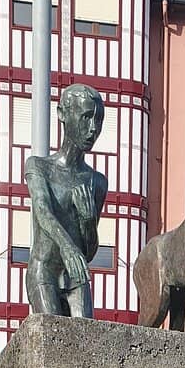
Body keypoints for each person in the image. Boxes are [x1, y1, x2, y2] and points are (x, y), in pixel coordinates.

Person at [25, 83, 108, 320]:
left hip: (76, 275)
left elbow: (89, 251)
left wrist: (88, 220)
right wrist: (67, 246)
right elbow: (43, 213)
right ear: (63, 114)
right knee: (52, 333)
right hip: (45, 271)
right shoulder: (38, 166)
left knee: (86, 342)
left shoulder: (97, 182)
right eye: (85, 118)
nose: (93, 129)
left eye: (98, 120)